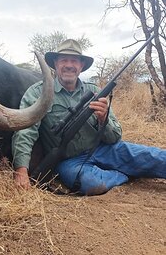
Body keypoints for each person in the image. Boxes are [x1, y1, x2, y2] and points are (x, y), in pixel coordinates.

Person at [12, 38, 166, 195]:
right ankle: (125, 174)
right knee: (91, 183)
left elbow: (115, 138)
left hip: (102, 149)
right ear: (56, 64)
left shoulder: (95, 91)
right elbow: (25, 132)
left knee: (155, 156)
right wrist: (21, 170)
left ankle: (123, 169)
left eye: (74, 61)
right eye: (64, 60)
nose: (69, 65)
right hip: (69, 161)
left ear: (81, 66)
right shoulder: (38, 92)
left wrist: (103, 119)